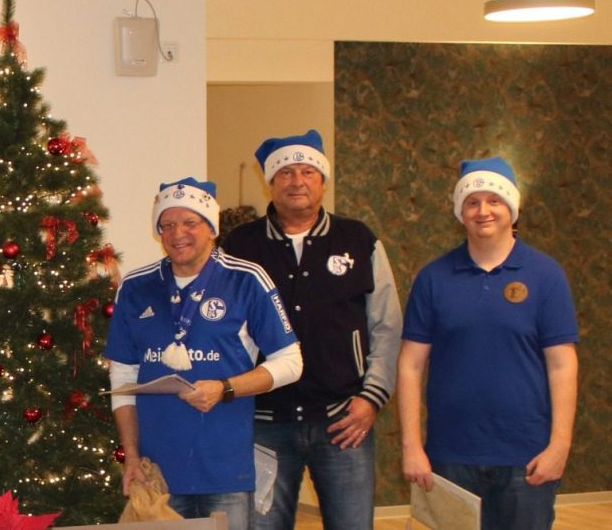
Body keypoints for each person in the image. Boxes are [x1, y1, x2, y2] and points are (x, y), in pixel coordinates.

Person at [222, 129, 402, 530]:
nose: (297, 181)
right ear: (270, 183)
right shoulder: (240, 246)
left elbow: (387, 326)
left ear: (323, 181)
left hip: (344, 421)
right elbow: (223, 329)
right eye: (286, 173)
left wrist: (371, 397)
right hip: (264, 424)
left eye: (307, 171)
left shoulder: (358, 240)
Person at [105, 178, 304, 528]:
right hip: (157, 474)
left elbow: (291, 363)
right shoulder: (136, 287)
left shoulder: (247, 280)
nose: (177, 233)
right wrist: (131, 455)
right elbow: (123, 375)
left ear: (211, 228)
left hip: (225, 471)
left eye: (190, 222)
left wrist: (225, 388)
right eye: (167, 225)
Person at [398, 157, 577, 530]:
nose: (483, 211)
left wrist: (560, 445)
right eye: (472, 202)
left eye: (494, 200)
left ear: (512, 208)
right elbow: (410, 365)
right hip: (449, 456)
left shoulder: (546, 275)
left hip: (527, 458)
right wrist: (411, 446)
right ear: (460, 212)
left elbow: (563, 365)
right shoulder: (433, 278)